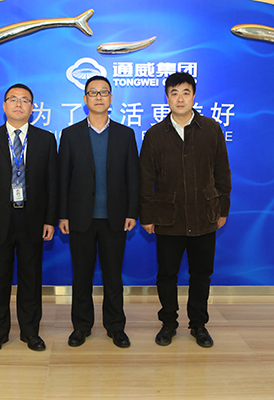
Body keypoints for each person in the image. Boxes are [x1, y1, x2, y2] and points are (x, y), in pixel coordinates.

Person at [139, 72, 231, 348]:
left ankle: (198, 325)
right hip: (168, 218)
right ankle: (168, 323)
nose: (180, 99)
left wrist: (223, 209)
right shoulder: (155, 135)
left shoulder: (211, 129)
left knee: (201, 274)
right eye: (174, 93)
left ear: (194, 96)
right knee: (166, 275)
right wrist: (147, 215)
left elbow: (222, 172)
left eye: (186, 93)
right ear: (167, 98)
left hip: (205, 215)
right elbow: (145, 179)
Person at [0, 83, 58, 354]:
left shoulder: (46, 139)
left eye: (25, 100)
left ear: (33, 107)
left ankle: (30, 332)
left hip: (33, 219)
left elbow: (52, 184)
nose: (19, 104)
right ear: (4, 105)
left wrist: (50, 220)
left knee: (31, 279)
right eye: (13, 99)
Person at [58, 76, 139, 348]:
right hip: (80, 218)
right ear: (85, 99)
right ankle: (81, 327)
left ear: (111, 98)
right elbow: (63, 179)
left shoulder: (125, 134)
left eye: (104, 92)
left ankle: (116, 327)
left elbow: (133, 177)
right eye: (93, 92)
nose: (99, 97)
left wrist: (132, 212)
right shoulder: (70, 135)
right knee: (81, 277)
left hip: (115, 218)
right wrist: (63, 215)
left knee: (113, 277)